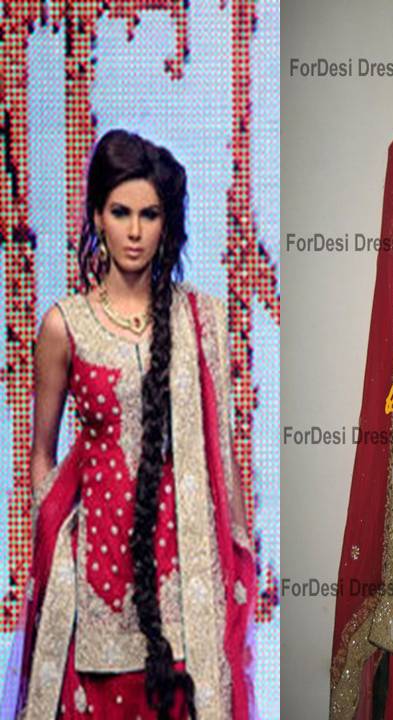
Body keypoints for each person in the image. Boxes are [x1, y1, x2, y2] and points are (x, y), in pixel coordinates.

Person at [12, 129, 256, 719]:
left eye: (150, 214)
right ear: (97, 216)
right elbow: (41, 452)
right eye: (121, 212)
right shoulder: (64, 326)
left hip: (184, 577)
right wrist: (56, 549)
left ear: (166, 223)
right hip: (96, 576)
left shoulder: (203, 320)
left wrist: (238, 554)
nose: (135, 231)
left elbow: (224, 457)